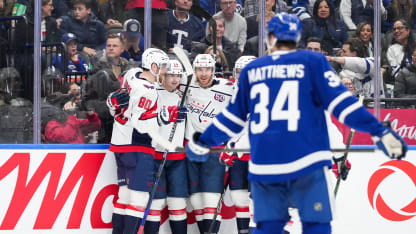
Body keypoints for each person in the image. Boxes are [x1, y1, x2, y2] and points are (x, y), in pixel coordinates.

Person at [185, 13, 407, 234]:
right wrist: (373, 135)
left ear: (270, 38)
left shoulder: (253, 71)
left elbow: (234, 119)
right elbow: (342, 107)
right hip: (305, 163)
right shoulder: (313, 63)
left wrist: (207, 141)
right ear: (297, 37)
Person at [107, 48, 185, 234]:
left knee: (124, 196)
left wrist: (111, 101)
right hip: (138, 147)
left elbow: (117, 103)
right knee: (139, 200)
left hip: (120, 143)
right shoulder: (148, 90)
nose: (165, 71)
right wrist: (165, 115)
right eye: (163, 66)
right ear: (154, 66)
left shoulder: (131, 75)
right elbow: (141, 122)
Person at [180, 53, 234, 233]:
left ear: (214, 70)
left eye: (207, 69)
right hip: (192, 148)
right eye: (200, 70)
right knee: (195, 199)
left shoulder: (228, 87)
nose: (203, 74)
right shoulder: (186, 85)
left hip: (215, 150)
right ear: (194, 71)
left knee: (211, 199)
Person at [153, 59, 188, 234]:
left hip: (177, 158)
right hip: (156, 156)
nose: (175, 79)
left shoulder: (183, 96)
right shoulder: (153, 93)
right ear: (163, 75)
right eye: (171, 75)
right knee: (155, 203)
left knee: (178, 203)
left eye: (177, 75)